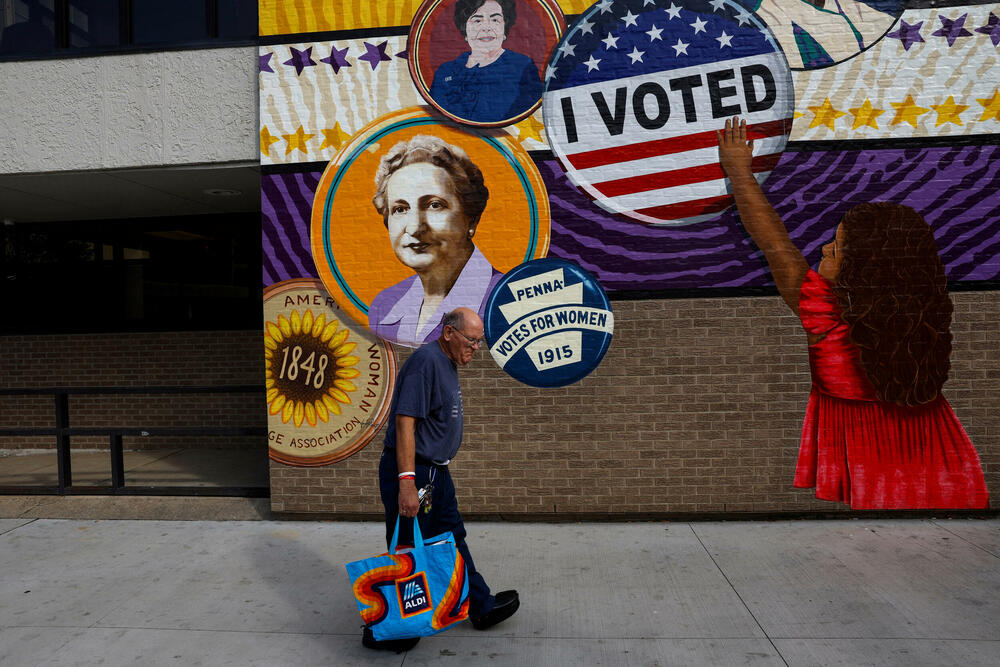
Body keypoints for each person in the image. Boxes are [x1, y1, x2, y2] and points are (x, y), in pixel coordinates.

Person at [717, 117, 989, 510]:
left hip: (875, 468)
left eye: (839, 247)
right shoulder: (920, 319)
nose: (825, 248)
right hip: (945, 458)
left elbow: (774, 242)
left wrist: (739, 173)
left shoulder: (825, 317)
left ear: (864, 268)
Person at [364, 307, 520, 652]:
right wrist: (406, 482)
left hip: (436, 472)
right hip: (413, 471)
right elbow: (405, 423)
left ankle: (479, 606)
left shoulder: (446, 363)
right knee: (408, 547)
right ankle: (390, 630)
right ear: (449, 333)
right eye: (472, 340)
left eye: (479, 342)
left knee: (451, 538)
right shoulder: (426, 362)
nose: (476, 348)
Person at [369, 134, 503, 348]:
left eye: (434, 205)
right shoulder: (384, 306)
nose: (414, 227)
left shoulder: (508, 302)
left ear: (471, 219)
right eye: (400, 209)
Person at [428, 0, 543, 123]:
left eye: (495, 20)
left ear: (505, 26)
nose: (487, 27)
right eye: (477, 20)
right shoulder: (445, 71)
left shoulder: (522, 66)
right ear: (464, 28)